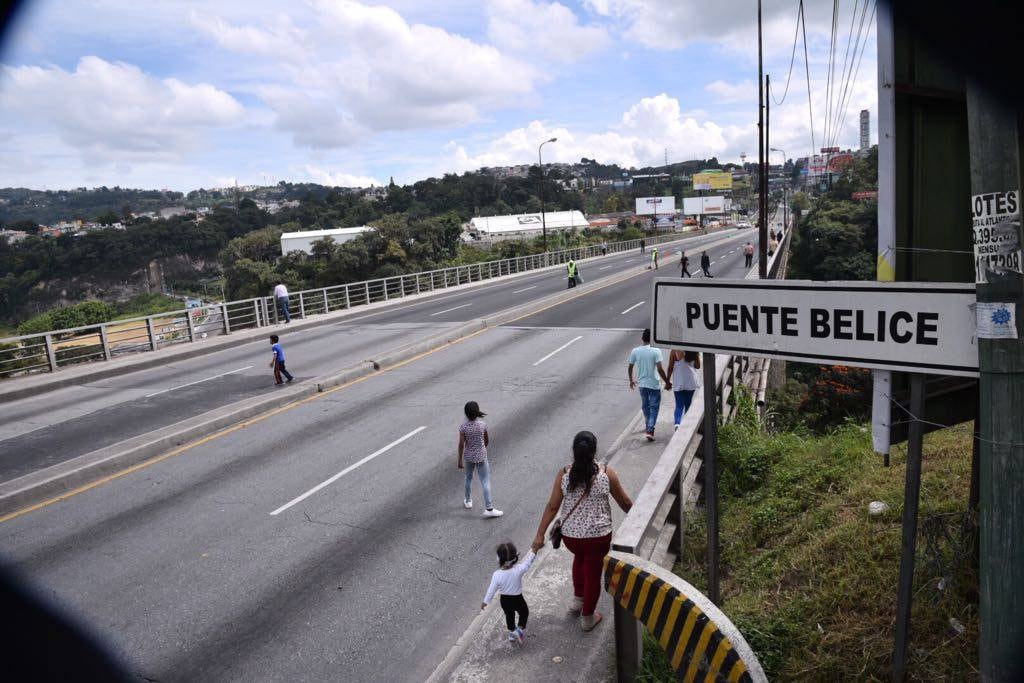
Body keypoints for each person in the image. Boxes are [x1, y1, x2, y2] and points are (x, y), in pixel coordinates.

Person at [531, 431, 633, 631]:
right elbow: (625, 503)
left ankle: (577, 601)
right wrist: (640, 518)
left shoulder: (564, 474)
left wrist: (539, 534)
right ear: (595, 451)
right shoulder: (607, 474)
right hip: (597, 538)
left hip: (571, 537)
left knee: (579, 559)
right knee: (593, 574)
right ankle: (588, 618)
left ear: (574, 450)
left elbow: (552, 506)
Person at [481, 542, 535, 645]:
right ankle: (519, 630)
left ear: (499, 559)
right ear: (515, 558)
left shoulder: (497, 574)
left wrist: (485, 601)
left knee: (509, 615)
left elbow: (491, 590)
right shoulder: (519, 569)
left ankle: (511, 634)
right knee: (524, 612)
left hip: (505, 600)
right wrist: (534, 551)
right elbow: (528, 562)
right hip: (518, 599)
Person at [457, 401, 503, 518]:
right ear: (477, 412)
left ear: (466, 414)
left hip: (468, 456)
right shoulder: (482, 425)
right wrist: (481, 448)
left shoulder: (463, 427)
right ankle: (489, 508)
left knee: (468, 478)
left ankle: (468, 501)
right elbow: (487, 440)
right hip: (481, 456)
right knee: (485, 481)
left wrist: (460, 460)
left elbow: (461, 444)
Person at [627, 328, 670, 441]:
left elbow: (630, 367)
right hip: (654, 385)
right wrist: (667, 382)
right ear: (652, 338)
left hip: (642, 385)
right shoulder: (656, 351)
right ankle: (650, 430)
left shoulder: (635, 351)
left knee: (645, 406)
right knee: (654, 407)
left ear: (642, 338)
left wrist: (631, 380)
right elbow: (660, 369)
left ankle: (648, 425)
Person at [666, 350, 701, 429]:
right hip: (690, 381)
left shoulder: (674, 351)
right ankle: (687, 426)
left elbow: (670, 367)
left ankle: (677, 424)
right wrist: (696, 355)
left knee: (679, 405)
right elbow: (698, 366)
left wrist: (667, 381)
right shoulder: (693, 348)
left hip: (679, 381)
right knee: (688, 403)